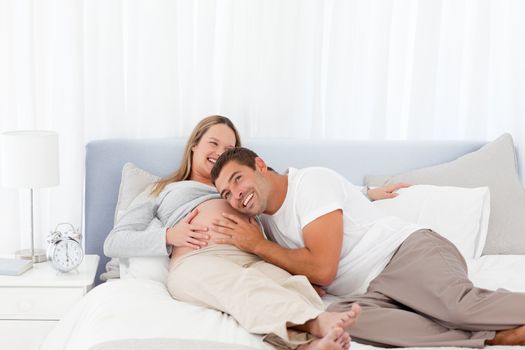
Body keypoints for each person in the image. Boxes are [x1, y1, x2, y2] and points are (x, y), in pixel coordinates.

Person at [210, 146, 525, 348]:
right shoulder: (265, 224)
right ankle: (493, 337)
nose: (235, 195)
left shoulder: (310, 184)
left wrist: (256, 246)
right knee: (341, 318)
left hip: (406, 254)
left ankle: (488, 331)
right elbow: (306, 270)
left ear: (260, 165)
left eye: (237, 179)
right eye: (226, 194)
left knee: (460, 308)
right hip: (371, 288)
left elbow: (323, 269)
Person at [103, 115, 360, 350]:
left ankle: (310, 345)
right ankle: (317, 324)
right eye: (213, 143)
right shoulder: (161, 190)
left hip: (252, 256)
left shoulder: (244, 184)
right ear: (194, 145)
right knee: (242, 288)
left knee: (292, 288)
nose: (219, 153)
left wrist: (365, 194)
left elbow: (291, 192)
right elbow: (114, 241)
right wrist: (169, 236)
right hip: (198, 261)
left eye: (228, 150)